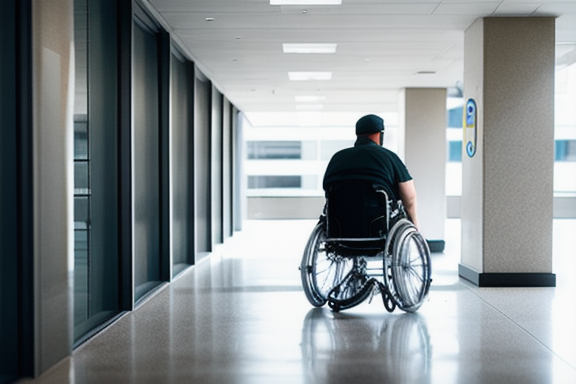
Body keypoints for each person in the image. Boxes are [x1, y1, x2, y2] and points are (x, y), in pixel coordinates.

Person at [323, 114, 419, 229]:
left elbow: (327, 187)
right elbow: (409, 197)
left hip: (340, 226)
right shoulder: (388, 157)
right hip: (377, 225)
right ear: (379, 134)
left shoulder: (337, 158)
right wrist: (415, 226)